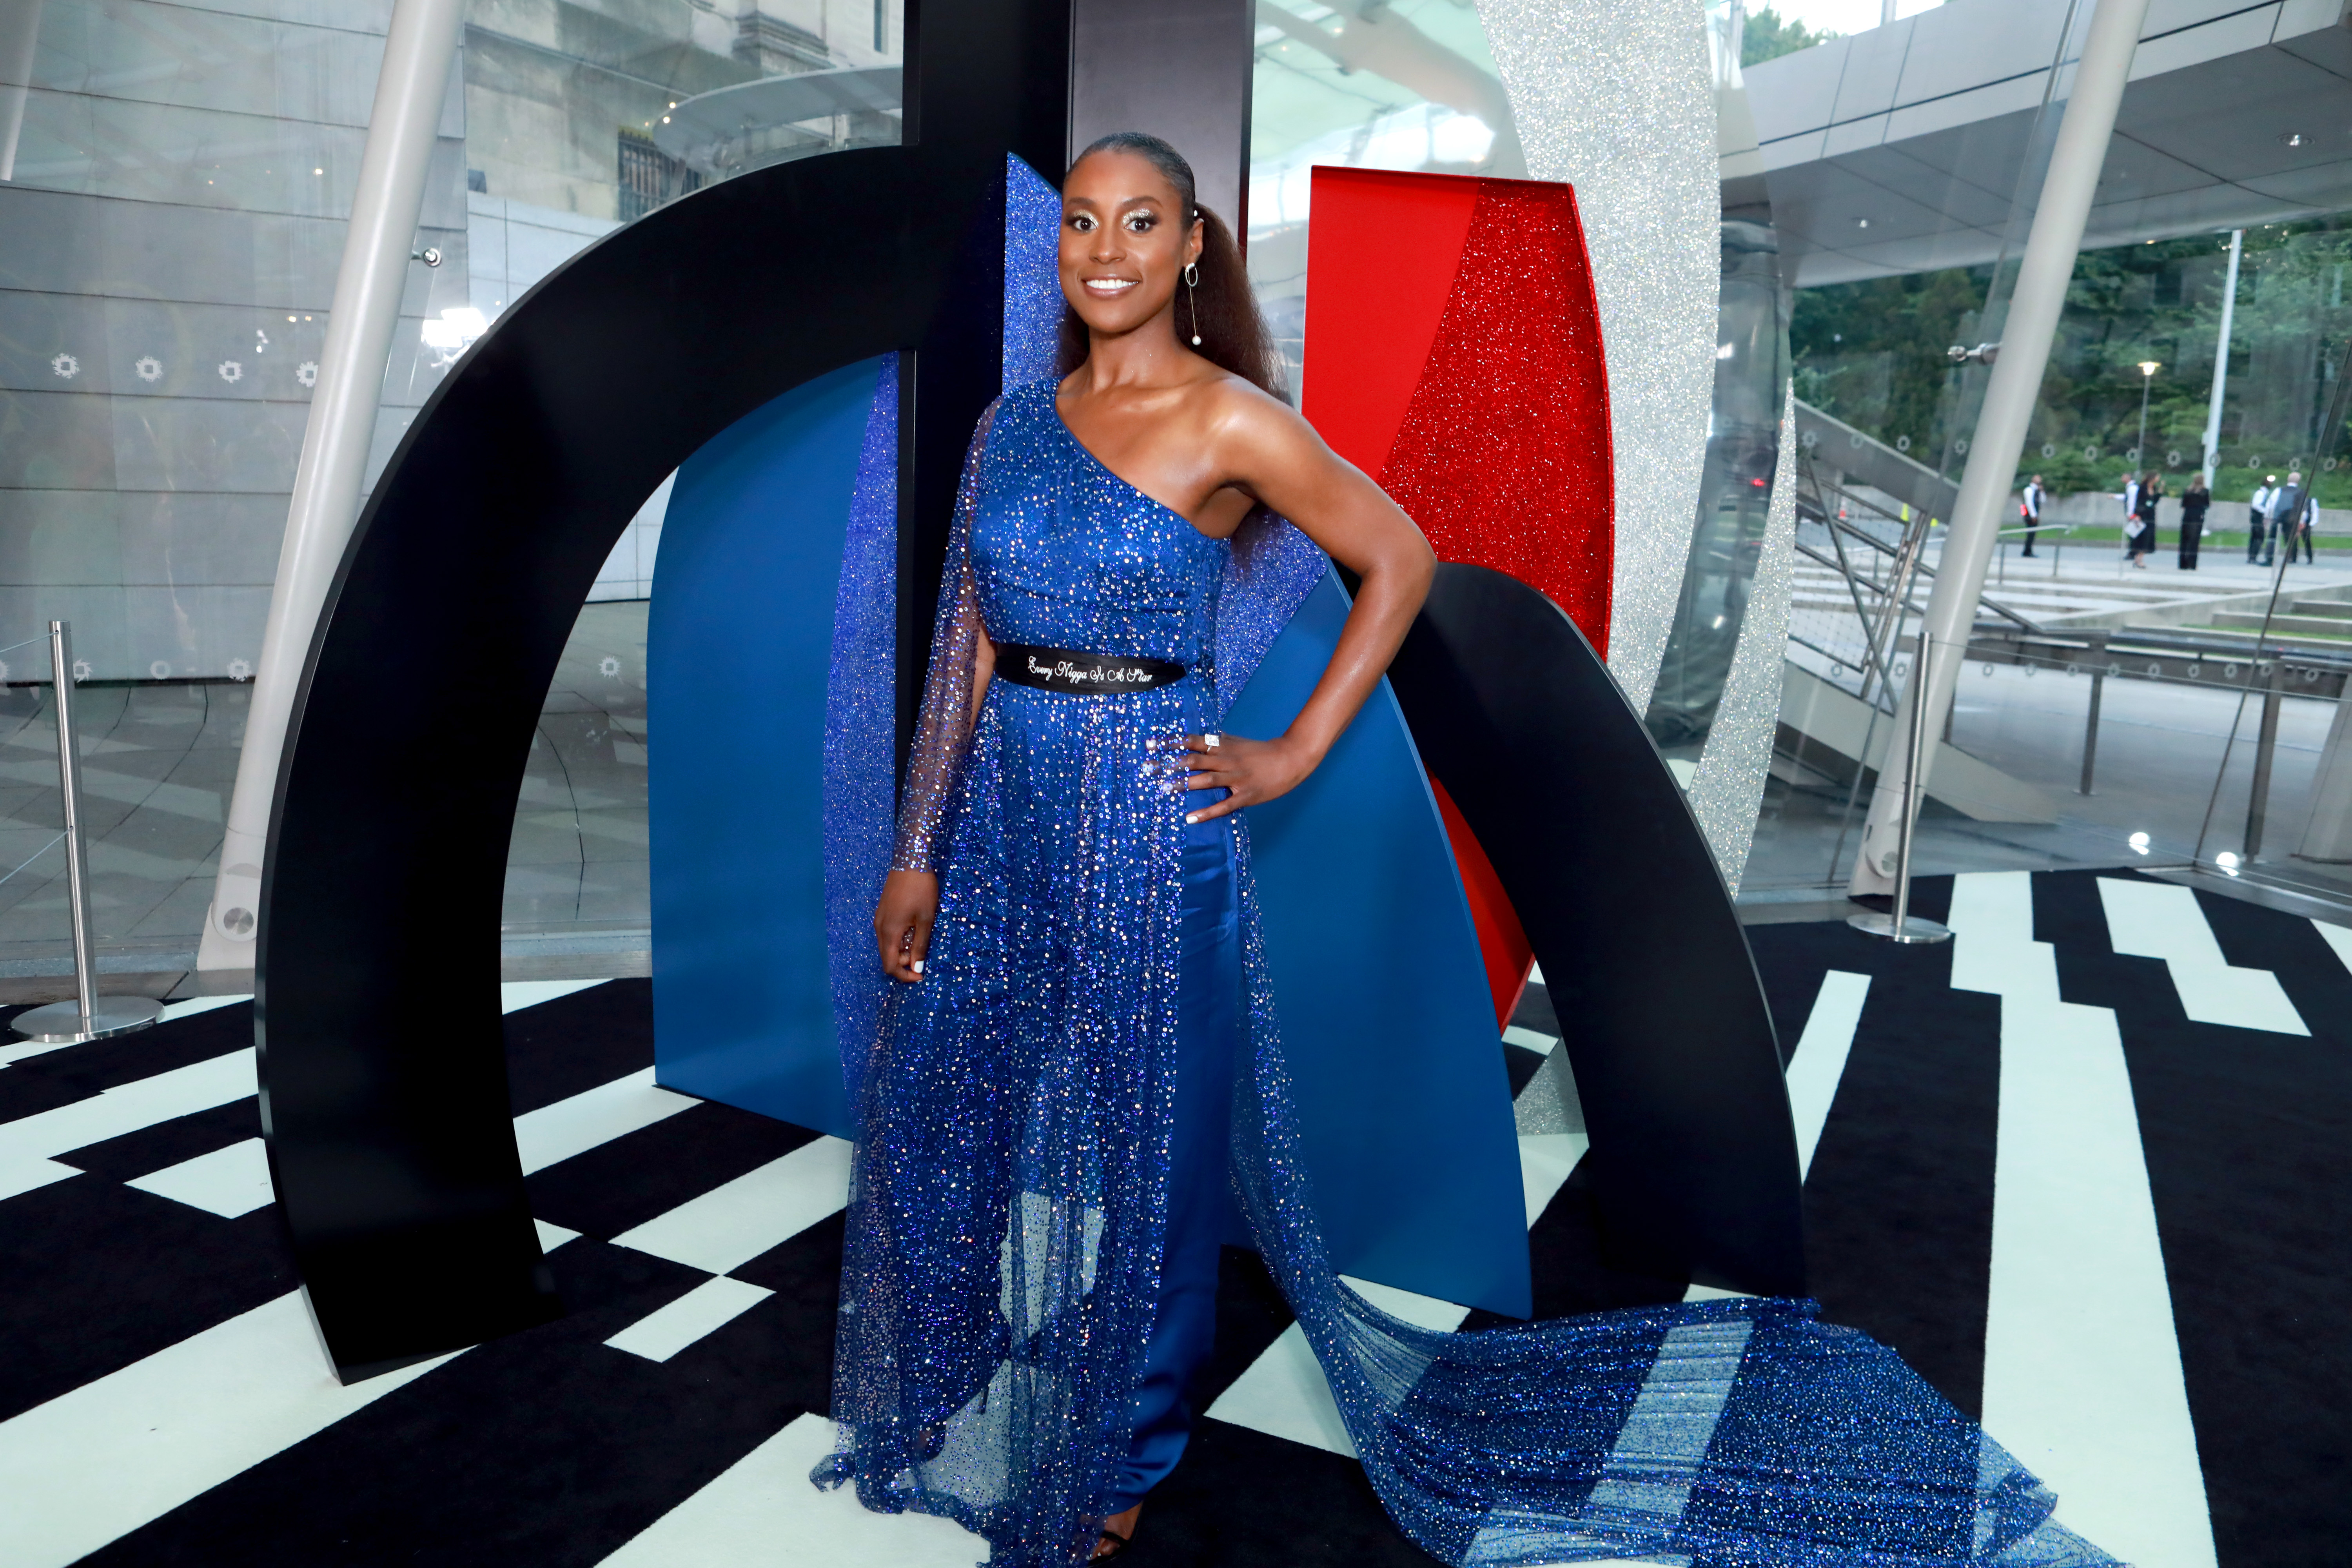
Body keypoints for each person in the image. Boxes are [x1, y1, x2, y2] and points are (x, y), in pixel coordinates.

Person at [818, 131, 2116, 1568]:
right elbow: (969, 642)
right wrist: (916, 843)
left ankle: (1124, 1448)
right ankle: (937, 1365)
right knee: (942, 1096)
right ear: (1056, 244)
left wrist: (1295, 748)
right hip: (996, 814)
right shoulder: (1014, 422)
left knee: (1151, 1159)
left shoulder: (1232, 422)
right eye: (1080, 221)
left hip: (1149, 821)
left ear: (1193, 247)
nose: (1106, 248)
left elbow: (1399, 556)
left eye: (1141, 222)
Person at [2266, 470, 2311, 568]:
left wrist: (2269, 516)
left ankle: (2269, 558)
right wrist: (2302, 522)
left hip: (2279, 517)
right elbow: (2304, 509)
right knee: (2291, 538)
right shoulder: (2301, 493)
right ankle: (2291, 557)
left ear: (2288, 479)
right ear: (2298, 481)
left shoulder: (2279, 490)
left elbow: (2271, 504)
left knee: (2272, 538)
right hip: (2293, 518)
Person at [2127, 470, 2160, 567]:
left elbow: (2153, 501)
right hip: (2142, 514)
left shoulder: (2154, 488)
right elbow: (2139, 501)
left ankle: (2139, 559)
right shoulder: (2142, 488)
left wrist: (2159, 494)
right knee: (2141, 537)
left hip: (2151, 515)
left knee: (2148, 537)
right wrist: (2137, 514)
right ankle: (2138, 559)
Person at [2178, 473, 2210, 568]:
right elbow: (2207, 505)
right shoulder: (2205, 492)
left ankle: (2183, 564)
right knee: (2195, 541)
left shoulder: (2188, 491)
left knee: (2185, 540)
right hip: (2198, 517)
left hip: (2188, 516)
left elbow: (2183, 504)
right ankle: (2192, 564)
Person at [2248, 472, 2278, 563]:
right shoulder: (2260, 493)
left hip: (2259, 519)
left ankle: (2252, 557)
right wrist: (2266, 512)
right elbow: (2256, 506)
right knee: (2258, 538)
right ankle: (2252, 557)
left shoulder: (2265, 493)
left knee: (2257, 538)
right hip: (2258, 519)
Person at [2018, 473, 2045, 556]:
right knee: (2030, 532)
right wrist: (2033, 515)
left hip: (2035, 514)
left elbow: (2043, 500)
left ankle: (2029, 550)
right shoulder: (2029, 490)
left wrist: (2042, 491)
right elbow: (2029, 503)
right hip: (2029, 514)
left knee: (2033, 533)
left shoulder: (2037, 491)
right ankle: (2027, 551)